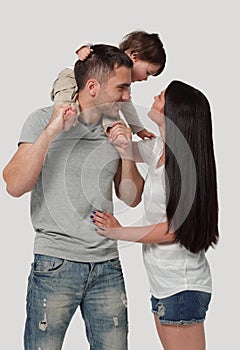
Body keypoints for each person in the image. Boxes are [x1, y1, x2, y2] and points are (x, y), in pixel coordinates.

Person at [2, 44, 144, 350]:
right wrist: (54, 128)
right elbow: (14, 185)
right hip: (55, 265)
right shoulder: (42, 120)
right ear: (92, 87)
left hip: (107, 267)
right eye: (122, 88)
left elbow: (131, 198)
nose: (128, 97)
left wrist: (126, 153)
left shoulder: (115, 130)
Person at [91, 80, 219, 350]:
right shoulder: (159, 149)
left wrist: (119, 231)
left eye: (161, 97)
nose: (155, 98)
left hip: (181, 287)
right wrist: (120, 135)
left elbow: (175, 229)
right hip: (163, 285)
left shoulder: (186, 166)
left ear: (176, 111)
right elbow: (129, 149)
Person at [50, 30, 166, 144]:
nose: (146, 79)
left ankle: (113, 130)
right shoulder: (111, 58)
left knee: (112, 109)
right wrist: (83, 49)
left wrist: (138, 129)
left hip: (94, 113)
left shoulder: (123, 84)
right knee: (64, 98)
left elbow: (127, 107)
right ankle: (64, 115)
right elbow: (92, 48)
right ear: (134, 57)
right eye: (147, 72)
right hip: (72, 77)